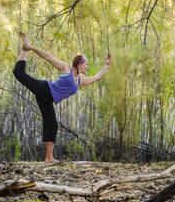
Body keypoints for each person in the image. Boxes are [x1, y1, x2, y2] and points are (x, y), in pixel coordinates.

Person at [13, 32, 112, 162]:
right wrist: (32, 48)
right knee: (18, 73)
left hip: (48, 99)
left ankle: (49, 158)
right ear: (79, 64)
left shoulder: (79, 81)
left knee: (52, 125)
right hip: (44, 89)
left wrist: (107, 65)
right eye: (85, 63)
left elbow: (97, 76)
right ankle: (25, 48)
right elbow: (48, 57)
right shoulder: (67, 69)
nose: (87, 66)